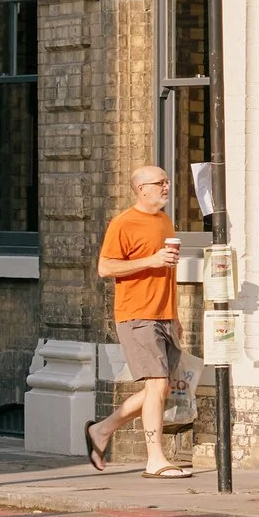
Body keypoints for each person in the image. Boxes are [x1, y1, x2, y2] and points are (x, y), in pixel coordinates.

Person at [87, 162, 192, 478]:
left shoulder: (164, 221)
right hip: (136, 315)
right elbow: (105, 268)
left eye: (167, 182)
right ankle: (155, 459)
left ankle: (102, 430)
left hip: (162, 314)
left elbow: (166, 274)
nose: (167, 187)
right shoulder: (124, 223)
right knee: (158, 384)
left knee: (158, 391)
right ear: (141, 188)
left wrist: (174, 315)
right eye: (161, 182)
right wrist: (152, 259)